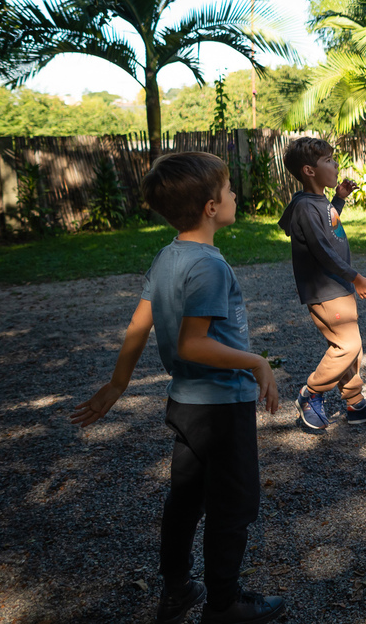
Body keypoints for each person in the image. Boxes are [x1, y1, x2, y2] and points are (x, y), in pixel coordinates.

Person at [70, 152, 285, 624]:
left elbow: (138, 322)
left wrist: (117, 384)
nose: (234, 196)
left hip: (186, 405)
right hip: (221, 409)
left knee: (185, 500)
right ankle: (223, 604)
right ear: (211, 207)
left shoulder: (169, 255)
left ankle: (176, 589)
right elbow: (193, 344)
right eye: (228, 191)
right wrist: (255, 362)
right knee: (234, 506)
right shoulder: (208, 265)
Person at [278, 137, 366, 430]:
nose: (335, 165)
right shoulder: (305, 206)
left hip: (335, 286)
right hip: (324, 288)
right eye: (328, 161)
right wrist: (355, 277)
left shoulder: (317, 202)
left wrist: (339, 199)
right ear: (309, 170)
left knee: (351, 347)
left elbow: (327, 228)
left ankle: (355, 403)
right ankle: (311, 393)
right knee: (347, 344)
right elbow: (321, 248)